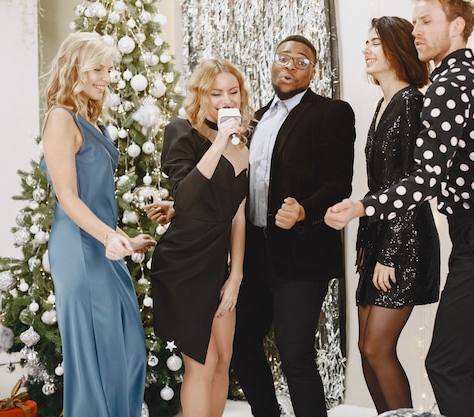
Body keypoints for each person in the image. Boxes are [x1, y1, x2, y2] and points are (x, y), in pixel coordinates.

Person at [325, 1, 474, 416]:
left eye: (426, 21)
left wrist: (363, 206)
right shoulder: (460, 79)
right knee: (461, 364)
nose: (416, 30)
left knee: (446, 365)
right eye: (414, 22)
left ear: (458, 26)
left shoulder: (449, 86)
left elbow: (424, 178)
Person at [228, 35, 356, 417]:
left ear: (313, 71)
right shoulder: (254, 118)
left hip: (302, 256)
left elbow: (338, 184)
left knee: (295, 352)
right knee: (241, 344)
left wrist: (303, 210)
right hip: (253, 254)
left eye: (302, 61)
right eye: (284, 57)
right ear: (272, 62)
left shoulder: (331, 112)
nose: (290, 65)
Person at [40, 32, 154, 417]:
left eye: (109, 69)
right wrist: (108, 235)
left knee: (127, 348)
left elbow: (98, 201)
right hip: (78, 246)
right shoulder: (60, 118)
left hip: (104, 245)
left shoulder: (92, 120)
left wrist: (123, 238)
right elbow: (68, 197)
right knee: (97, 356)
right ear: (75, 68)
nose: (106, 77)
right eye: (98, 69)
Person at [149, 58, 252, 417]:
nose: (226, 100)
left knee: (224, 360)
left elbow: (237, 214)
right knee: (202, 363)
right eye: (216, 93)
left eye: (233, 92)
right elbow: (185, 198)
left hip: (218, 261)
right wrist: (220, 141)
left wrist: (236, 273)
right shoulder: (182, 131)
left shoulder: (243, 144)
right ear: (201, 96)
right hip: (184, 260)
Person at [355, 16, 440, 413]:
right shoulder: (383, 103)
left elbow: (409, 187)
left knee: (377, 347)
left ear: (398, 50)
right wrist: (368, 247)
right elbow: (379, 185)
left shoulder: (411, 101)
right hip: (377, 239)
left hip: (404, 242)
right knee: (365, 348)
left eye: (376, 42)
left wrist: (388, 254)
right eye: (366, 42)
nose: (367, 49)